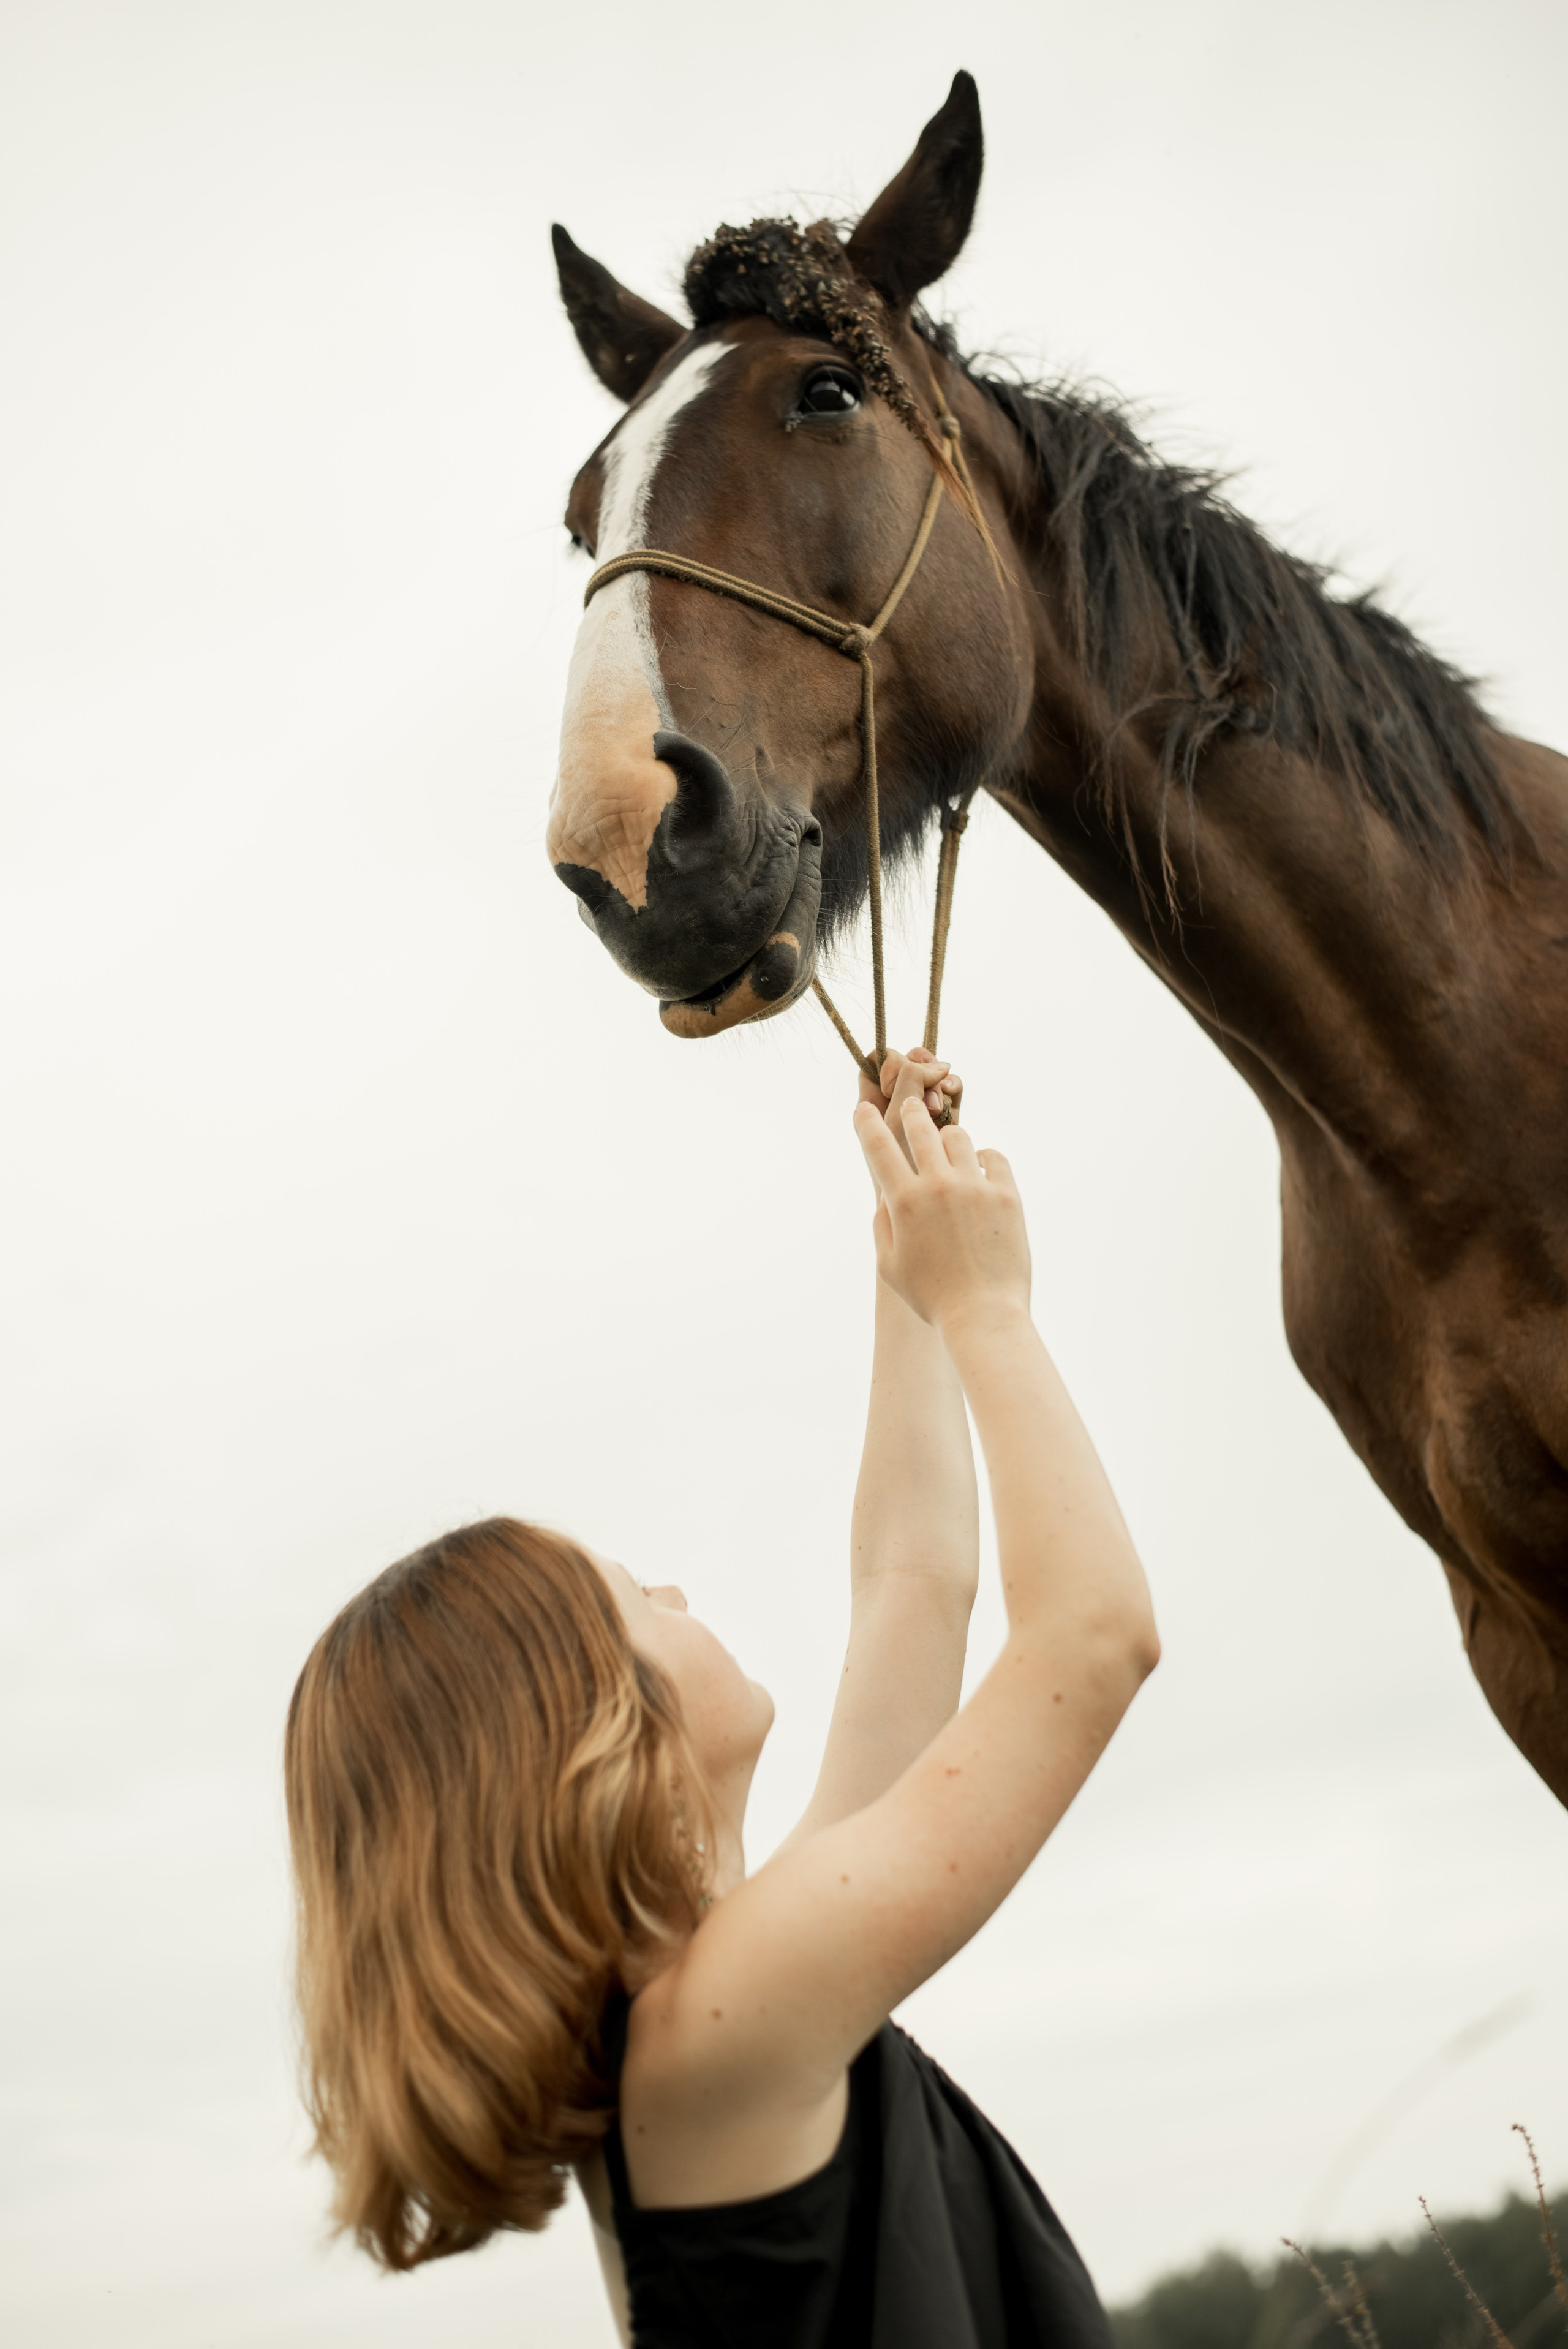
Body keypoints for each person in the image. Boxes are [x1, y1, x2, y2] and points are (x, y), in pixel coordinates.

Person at [285, 1047, 1159, 2346]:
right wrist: (986, 1307)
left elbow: (911, 1585)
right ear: (594, 1731)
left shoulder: (713, 2021)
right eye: (641, 1598)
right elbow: (1091, 1638)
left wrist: (906, 1266)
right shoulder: (720, 2031)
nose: (682, 1593)